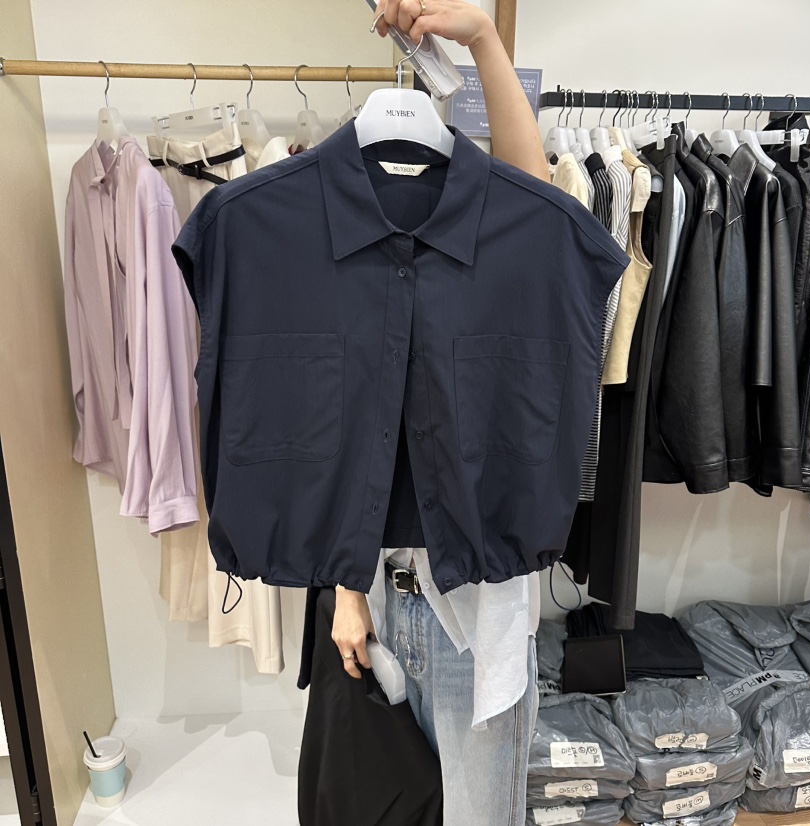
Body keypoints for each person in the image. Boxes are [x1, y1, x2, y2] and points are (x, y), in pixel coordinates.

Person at [327, 1, 550, 824]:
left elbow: (541, 206)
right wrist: (346, 594)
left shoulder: (491, 239)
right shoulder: (342, 250)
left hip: (475, 621)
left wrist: (483, 37)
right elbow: (341, 439)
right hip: (381, 602)